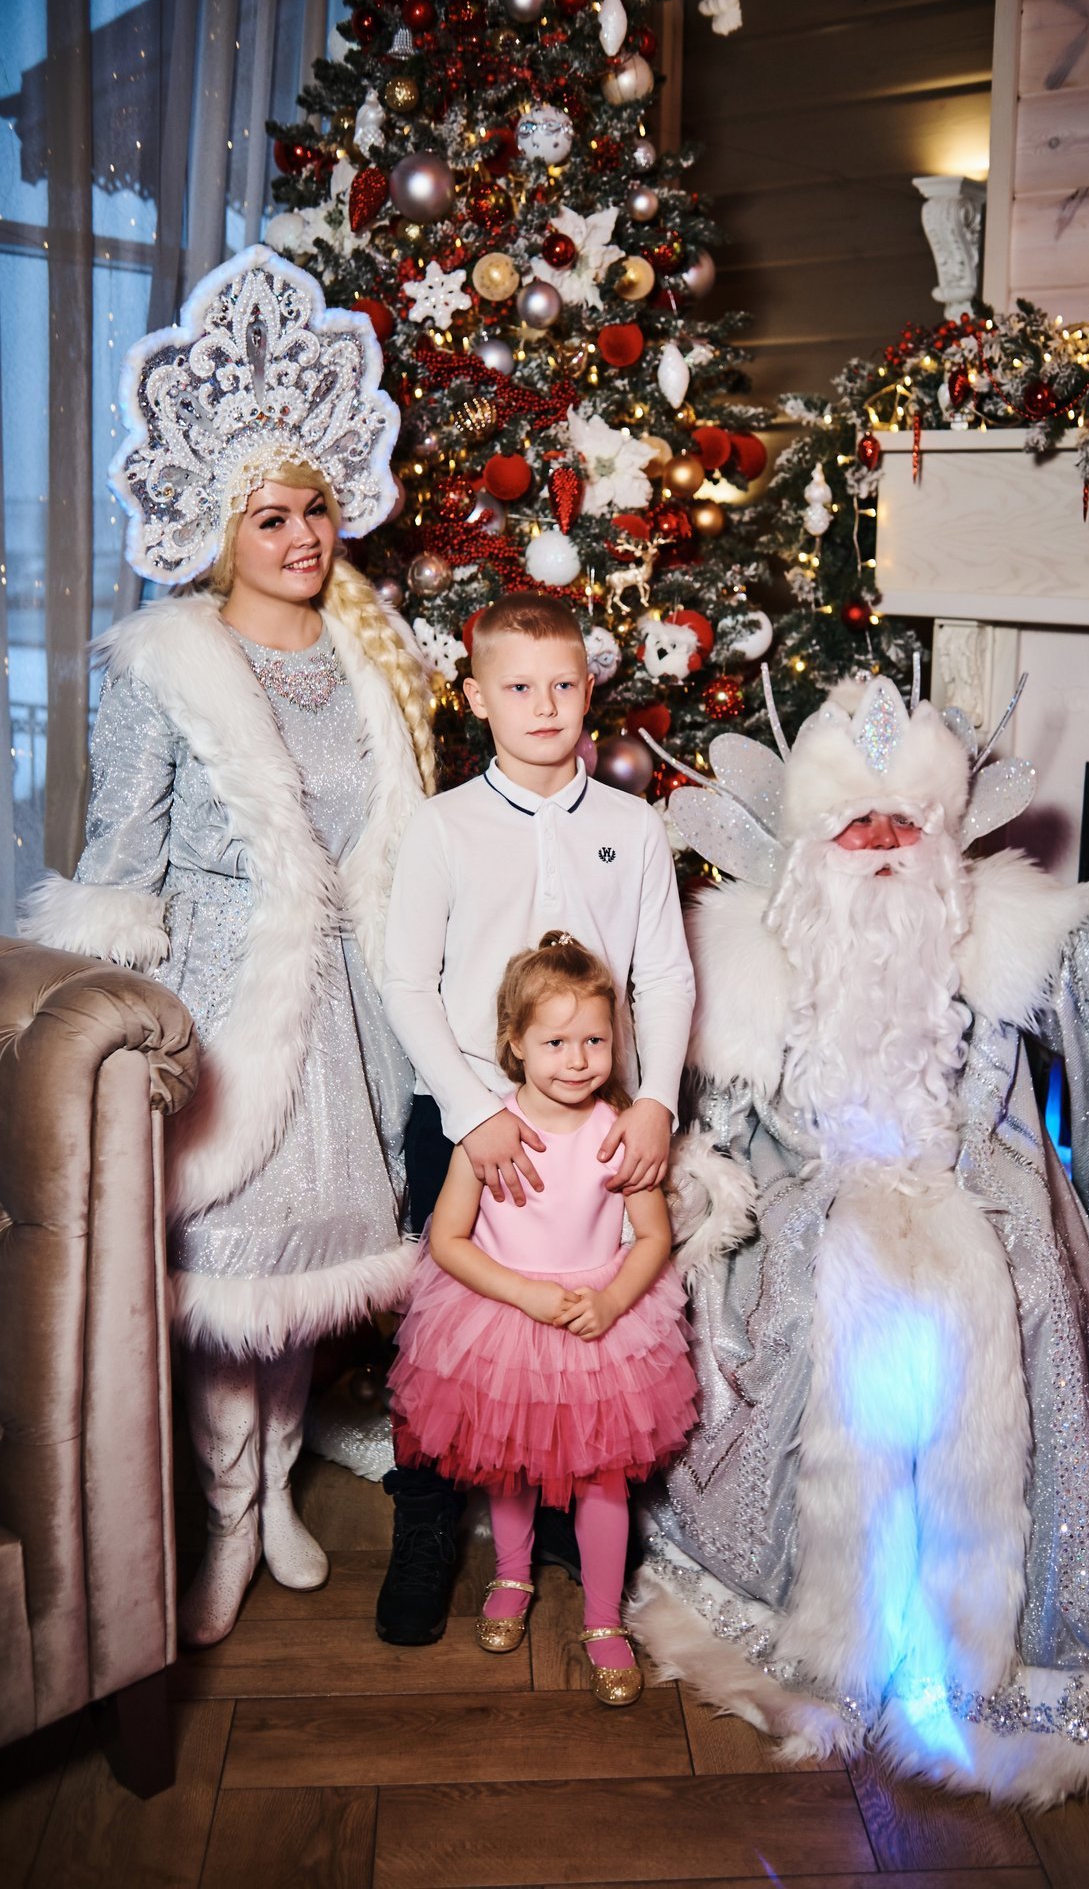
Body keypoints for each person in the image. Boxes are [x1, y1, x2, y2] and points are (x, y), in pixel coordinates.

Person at [630, 673, 1089, 1805]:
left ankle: (995, 1659)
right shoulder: (743, 957)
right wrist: (705, 1189)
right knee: (817, 1307)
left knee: (1025, 1297)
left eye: (905, 823)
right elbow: (712, 1126)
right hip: (811, 1189)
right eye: (857, 825)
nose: (884, 846)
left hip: (977, 1179)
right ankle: (830, 1631)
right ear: (812, 846)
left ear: (942, 835)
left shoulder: (1000, 926)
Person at [19, 246, 434, 1649]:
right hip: (220, 996)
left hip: (346, 1005)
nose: (303, 537)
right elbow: (121, 853)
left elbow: (397, 849)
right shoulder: (165, 663)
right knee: (222, 1268)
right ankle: (230, 1516)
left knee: (308, 1274)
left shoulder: (372, 661)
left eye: (314, 510)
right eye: (271, 518)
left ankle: (277, 1495)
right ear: (220, 529)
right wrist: (112, 1014)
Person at [377, 594, 695, 1645]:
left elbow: (665, 976)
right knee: (453, 1342)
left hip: (597, 1116)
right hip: (468, 1111)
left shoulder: (632, 826)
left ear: (590, 690)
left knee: (585, 1317)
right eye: (518, 687)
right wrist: (473, 1112)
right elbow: (406, 981)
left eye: (562, 684)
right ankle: (428, 1526)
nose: (544, 705)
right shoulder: (444, 825)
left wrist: (655, 1103)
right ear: (476, 699)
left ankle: (567, 1517)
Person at [388, 933, 698, 1703]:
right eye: (556, 1042)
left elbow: (653, 1237)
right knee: (509, 1462)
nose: (578, 1059)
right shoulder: (487, 1131)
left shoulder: (616, 1131)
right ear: (515, 1043)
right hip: (504, 1321)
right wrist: (521, 1293)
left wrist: (613, 1302)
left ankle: (603, 1618)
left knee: (604, 1480)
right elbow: (448, 1240)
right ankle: (512, 1575)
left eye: (595, 1040)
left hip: (598, 1326)